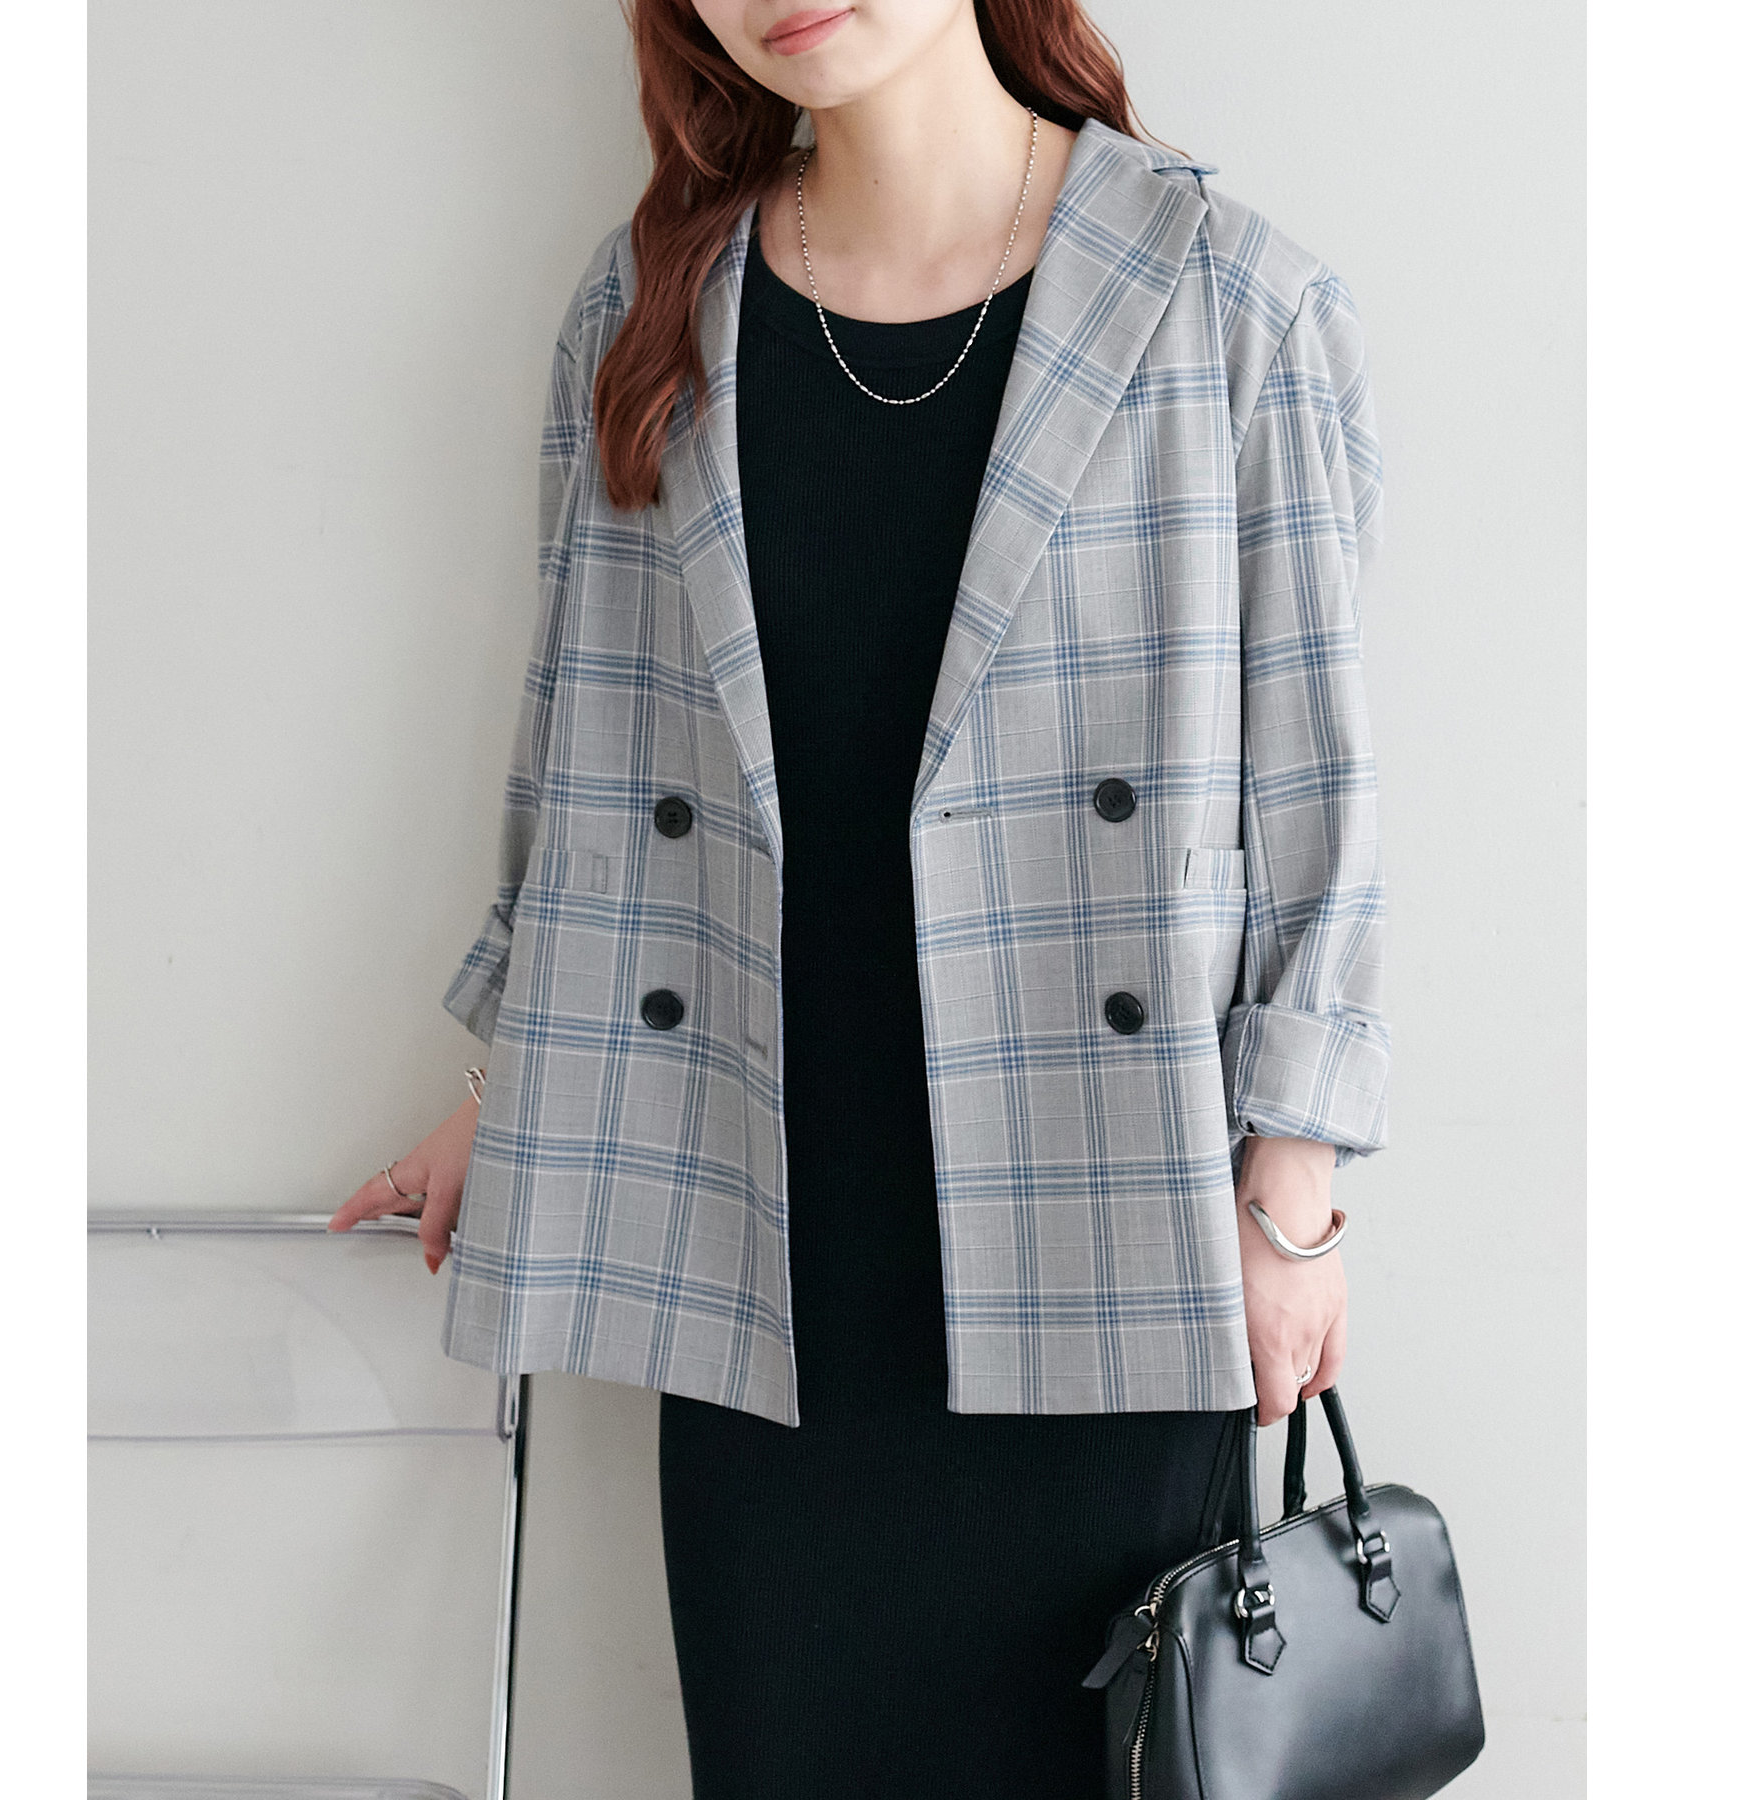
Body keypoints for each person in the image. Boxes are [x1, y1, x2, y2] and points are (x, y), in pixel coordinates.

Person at [330, 2, 1390, 1793]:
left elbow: (1318, 791)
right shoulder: (656, 296)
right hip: (755, 1222)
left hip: (1098, 1210)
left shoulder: (1226, 300)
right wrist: (510, 1083)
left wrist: (1295, 1196)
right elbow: (588, 741)